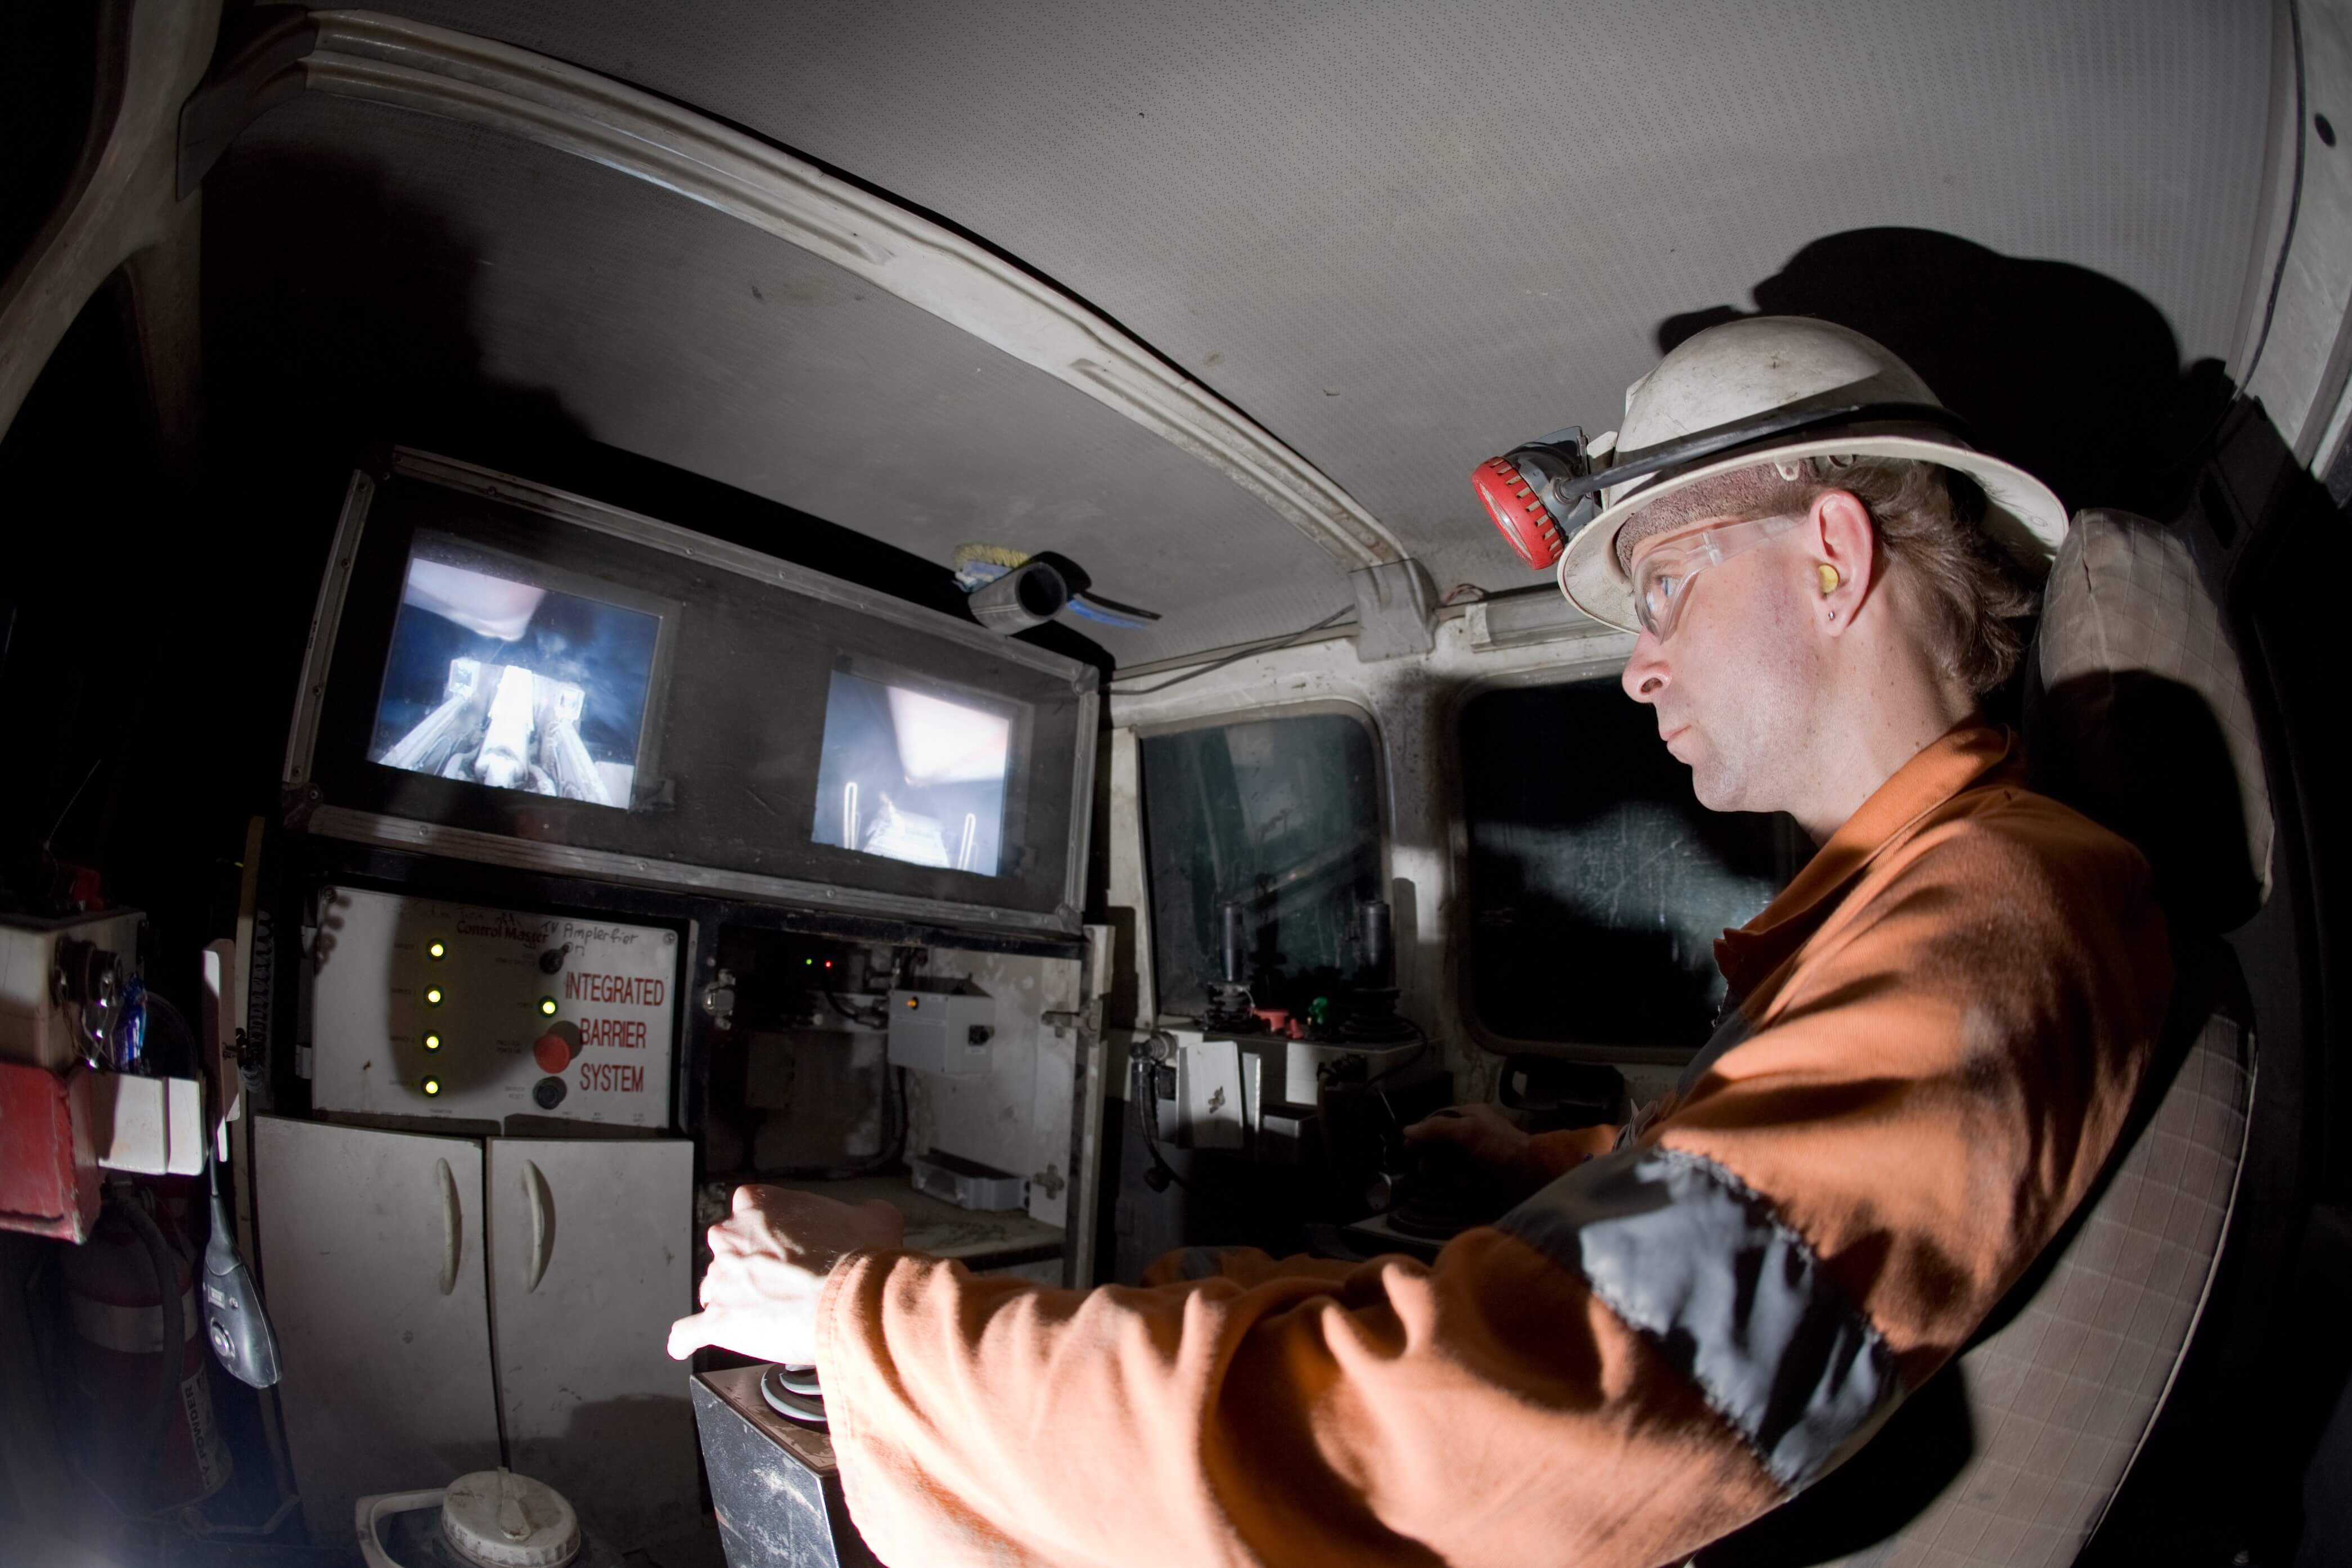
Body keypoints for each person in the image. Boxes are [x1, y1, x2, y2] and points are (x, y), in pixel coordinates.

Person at [669, 318, 2174, 1567]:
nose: (1641, 667)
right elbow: (1772, 1201)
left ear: (1834, 555)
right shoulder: (1928, 910)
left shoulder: (2000, 906)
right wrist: (1551, 1166)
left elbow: (1479, 1427)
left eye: (1662, 586)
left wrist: (870, 1329)